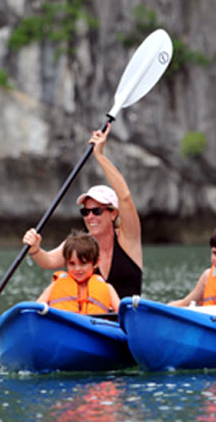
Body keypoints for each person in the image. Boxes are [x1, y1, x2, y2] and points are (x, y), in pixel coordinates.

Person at [23, 124, 142, 298]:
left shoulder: (128, 239)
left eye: (97, 211)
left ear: (113, 213)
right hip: (93, 321)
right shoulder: (80, 244)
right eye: (85, 212)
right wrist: (34, 249)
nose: (90, 217)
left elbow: (124, 197)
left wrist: (99, 155)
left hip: (130, 322)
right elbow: (47, 260)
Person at [36, 231, 120, 314]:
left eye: (83, 263)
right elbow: (36, 308)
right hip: (62, 325)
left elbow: (123, 313)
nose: (77, 269)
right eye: (72, 263)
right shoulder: (55, 285)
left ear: (95, 263)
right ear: (66, 263)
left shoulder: (108, 288)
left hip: (92, 326)